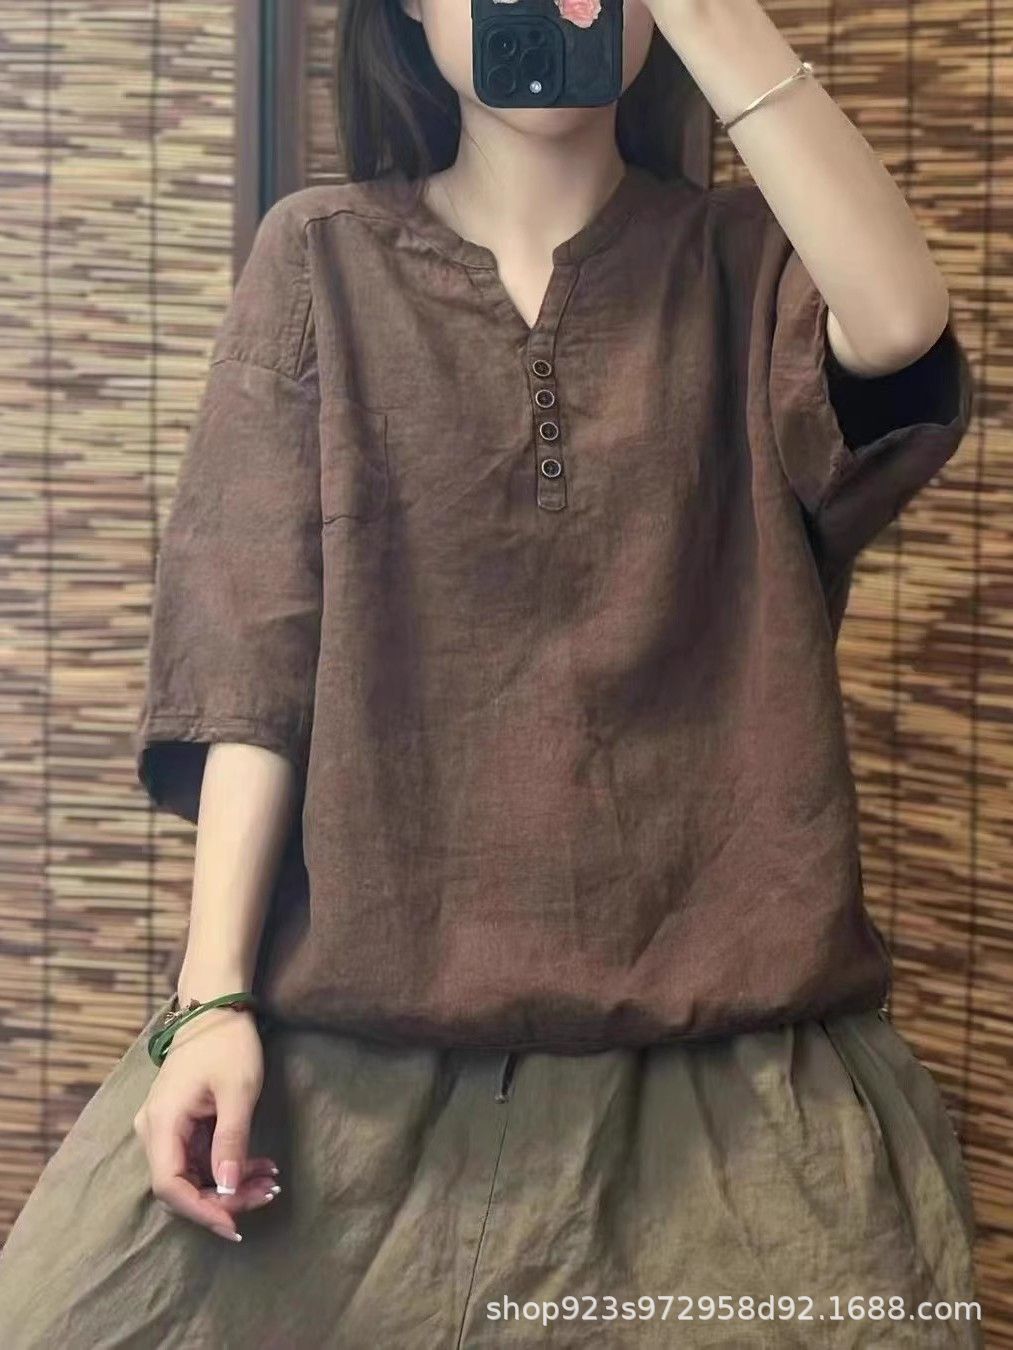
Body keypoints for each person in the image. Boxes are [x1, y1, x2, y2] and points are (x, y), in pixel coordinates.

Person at [0, 1, 983, 1346]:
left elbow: (898, 326)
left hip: (731, 1080)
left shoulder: (749, 261)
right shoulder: (319, 255)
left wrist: (706, 13)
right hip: (349, 1063)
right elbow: (251, 659)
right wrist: (210, 996)